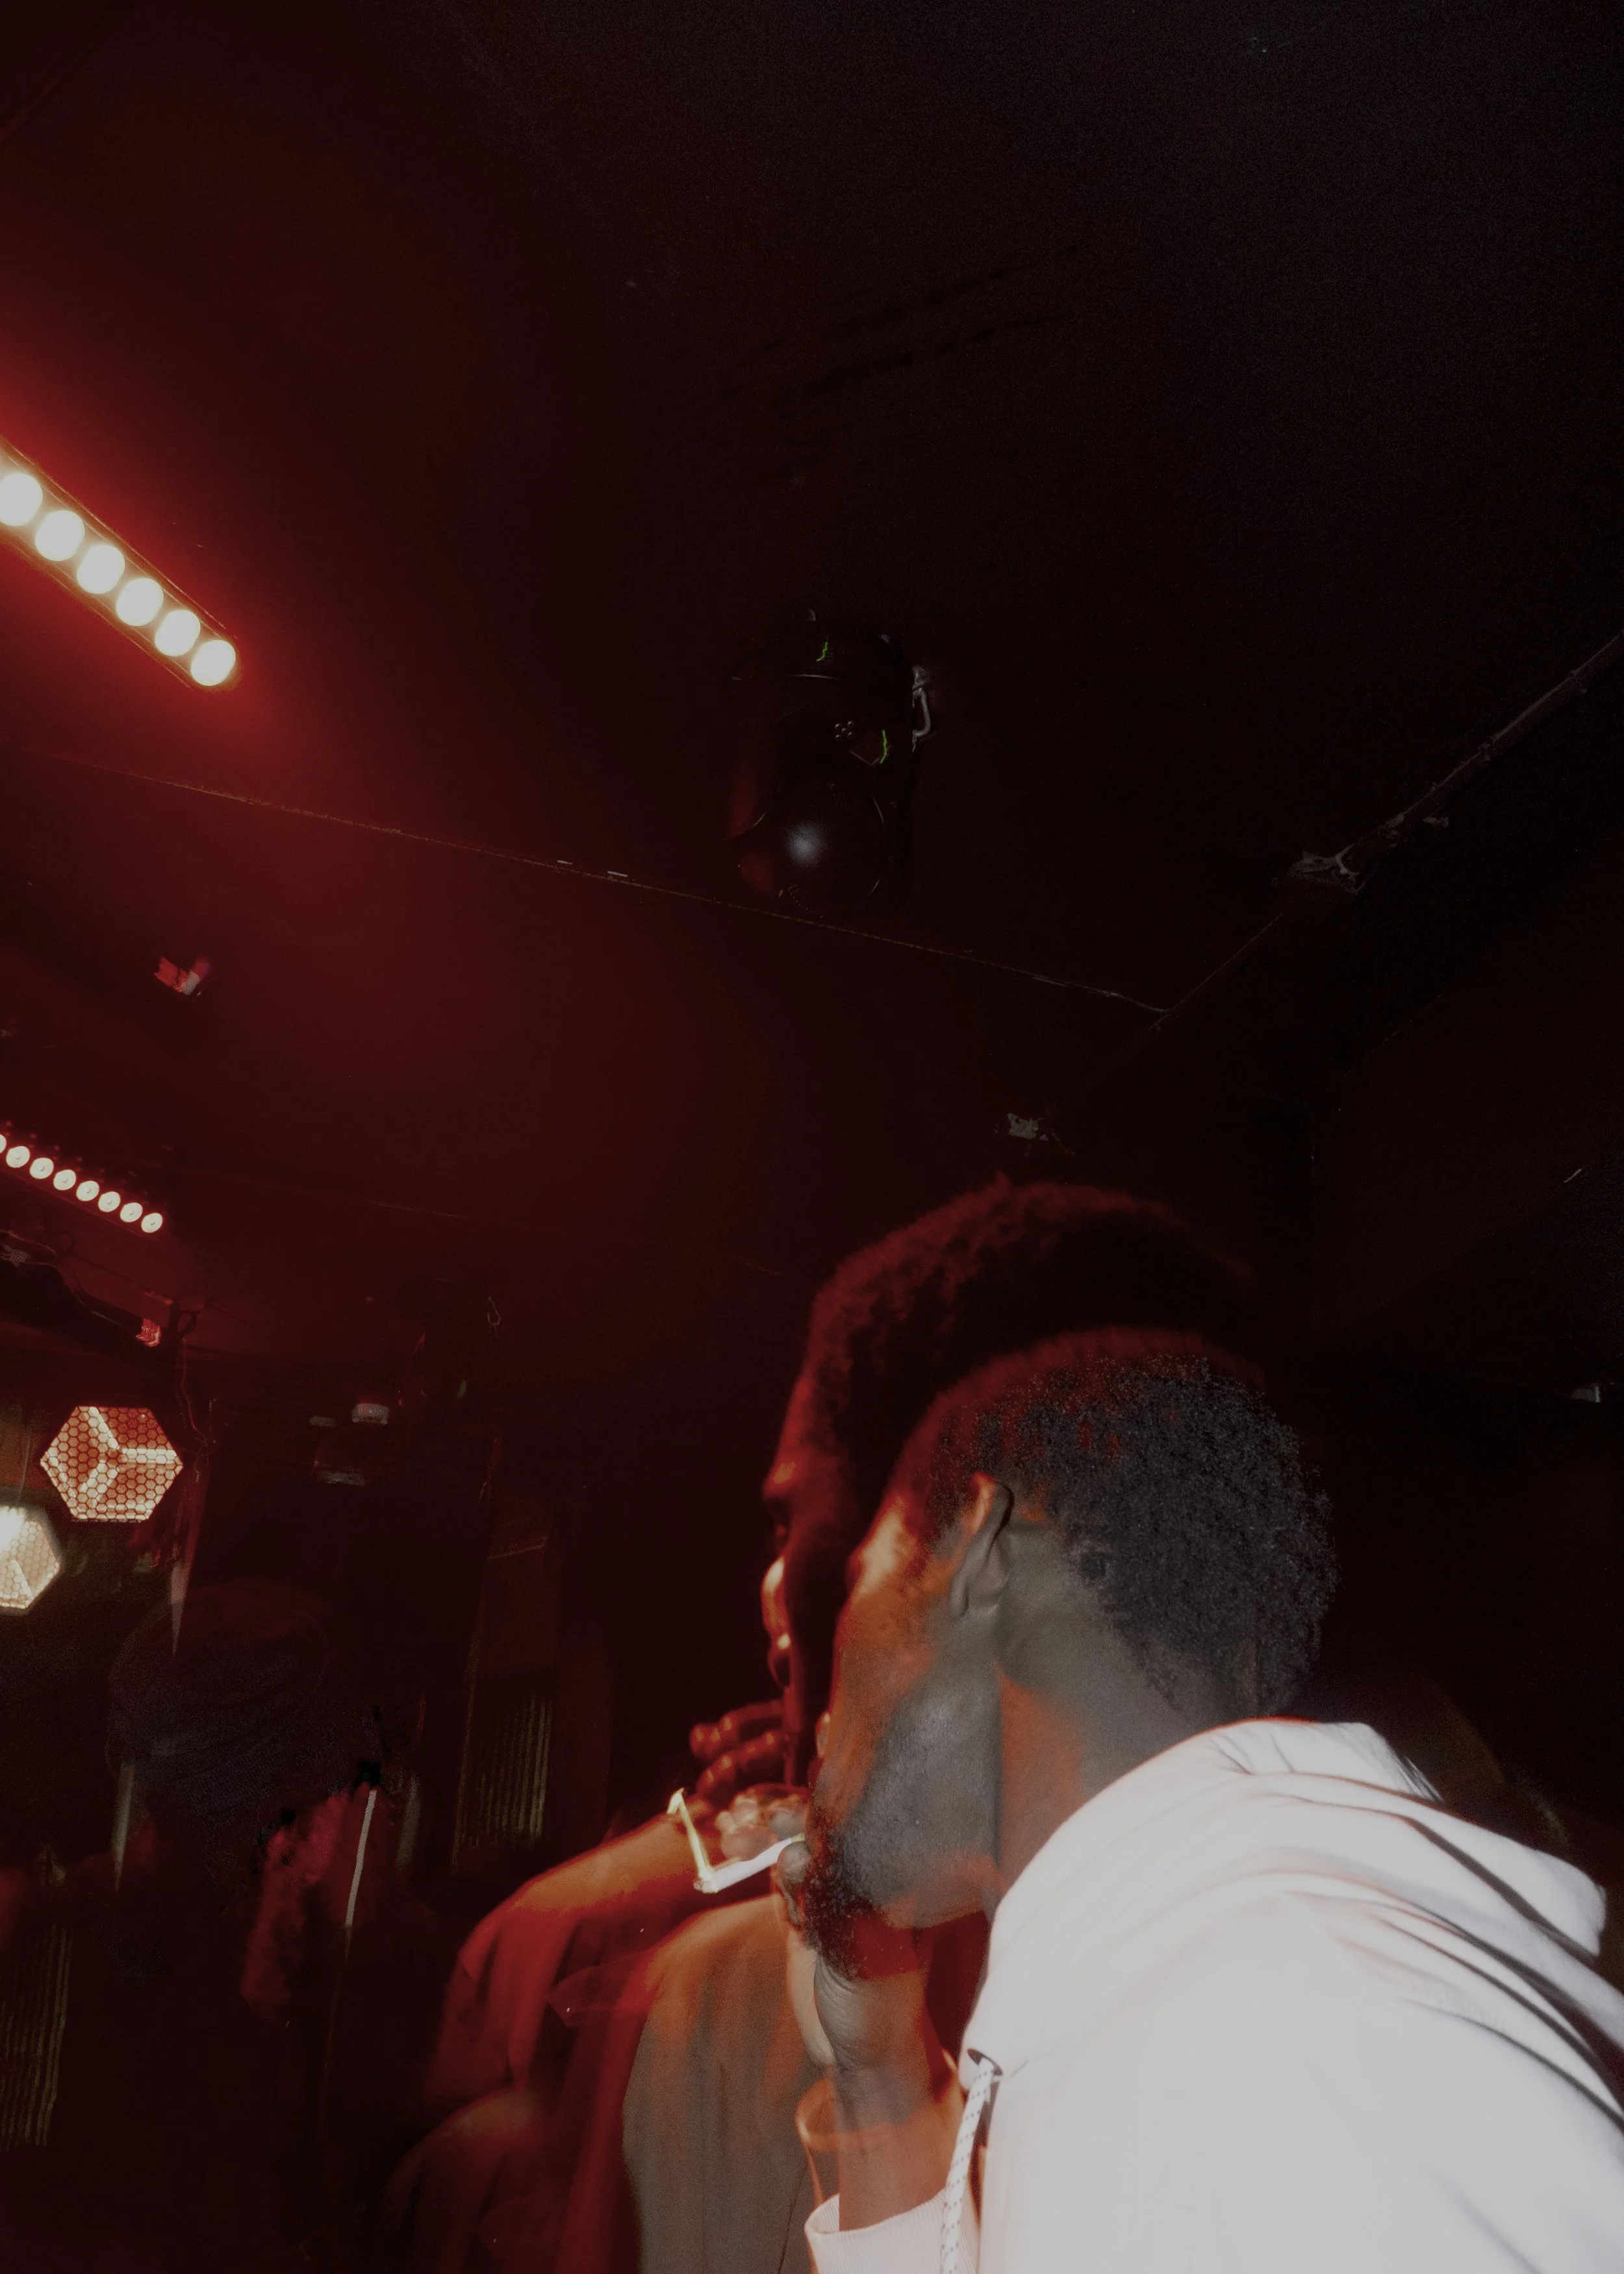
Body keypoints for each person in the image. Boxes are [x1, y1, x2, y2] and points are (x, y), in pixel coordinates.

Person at [394, 1181, 1256, 2273]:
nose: (777, 1592)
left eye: (793, 1522)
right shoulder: (1303, 1948)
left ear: (963, 1552)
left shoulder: (732, 2010)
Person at [785, 1329, 1624, 2271]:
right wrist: (883, 2078)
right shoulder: (1183, 2018)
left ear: (983, 1563)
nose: (821, 1695)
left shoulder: (1293, 2054)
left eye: (859, 1581)